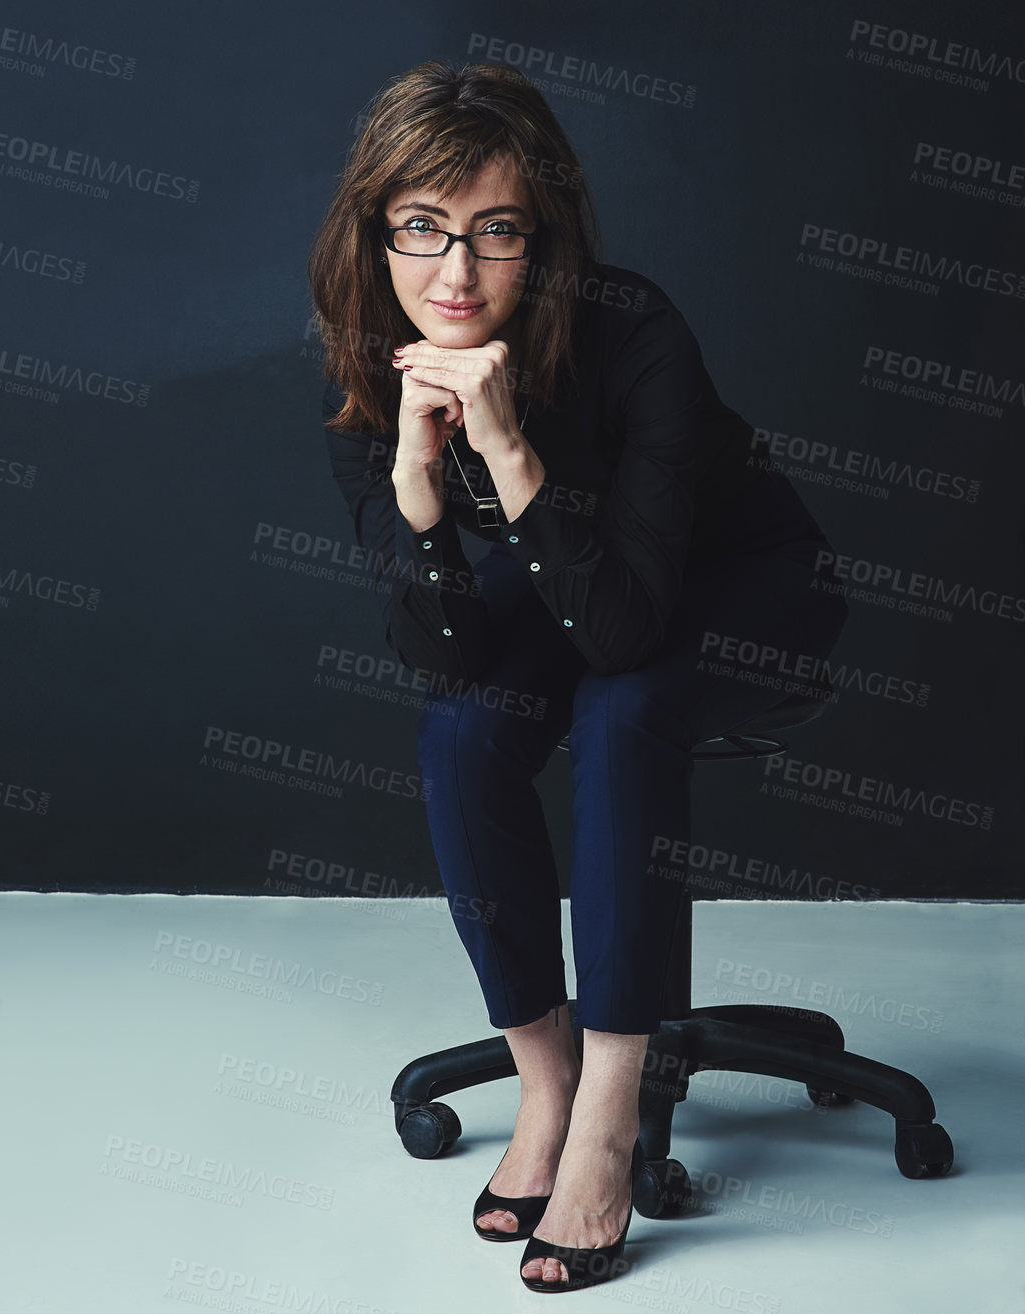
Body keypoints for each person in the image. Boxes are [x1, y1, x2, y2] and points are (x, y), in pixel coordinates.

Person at [307, 60, 849, 1293]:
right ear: (375, 234)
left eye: (494, 232)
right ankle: (545, 1080)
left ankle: (606, 1116)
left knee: (625, 708)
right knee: (460, 731)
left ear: (539, 241)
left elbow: (620, 631)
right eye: (421, 229)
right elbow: (439, 652)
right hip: (578, 589)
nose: (454, 273)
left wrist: (501, 443)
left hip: (737, 586)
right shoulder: (367, 366)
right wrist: (418, 504)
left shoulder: (632, 330)